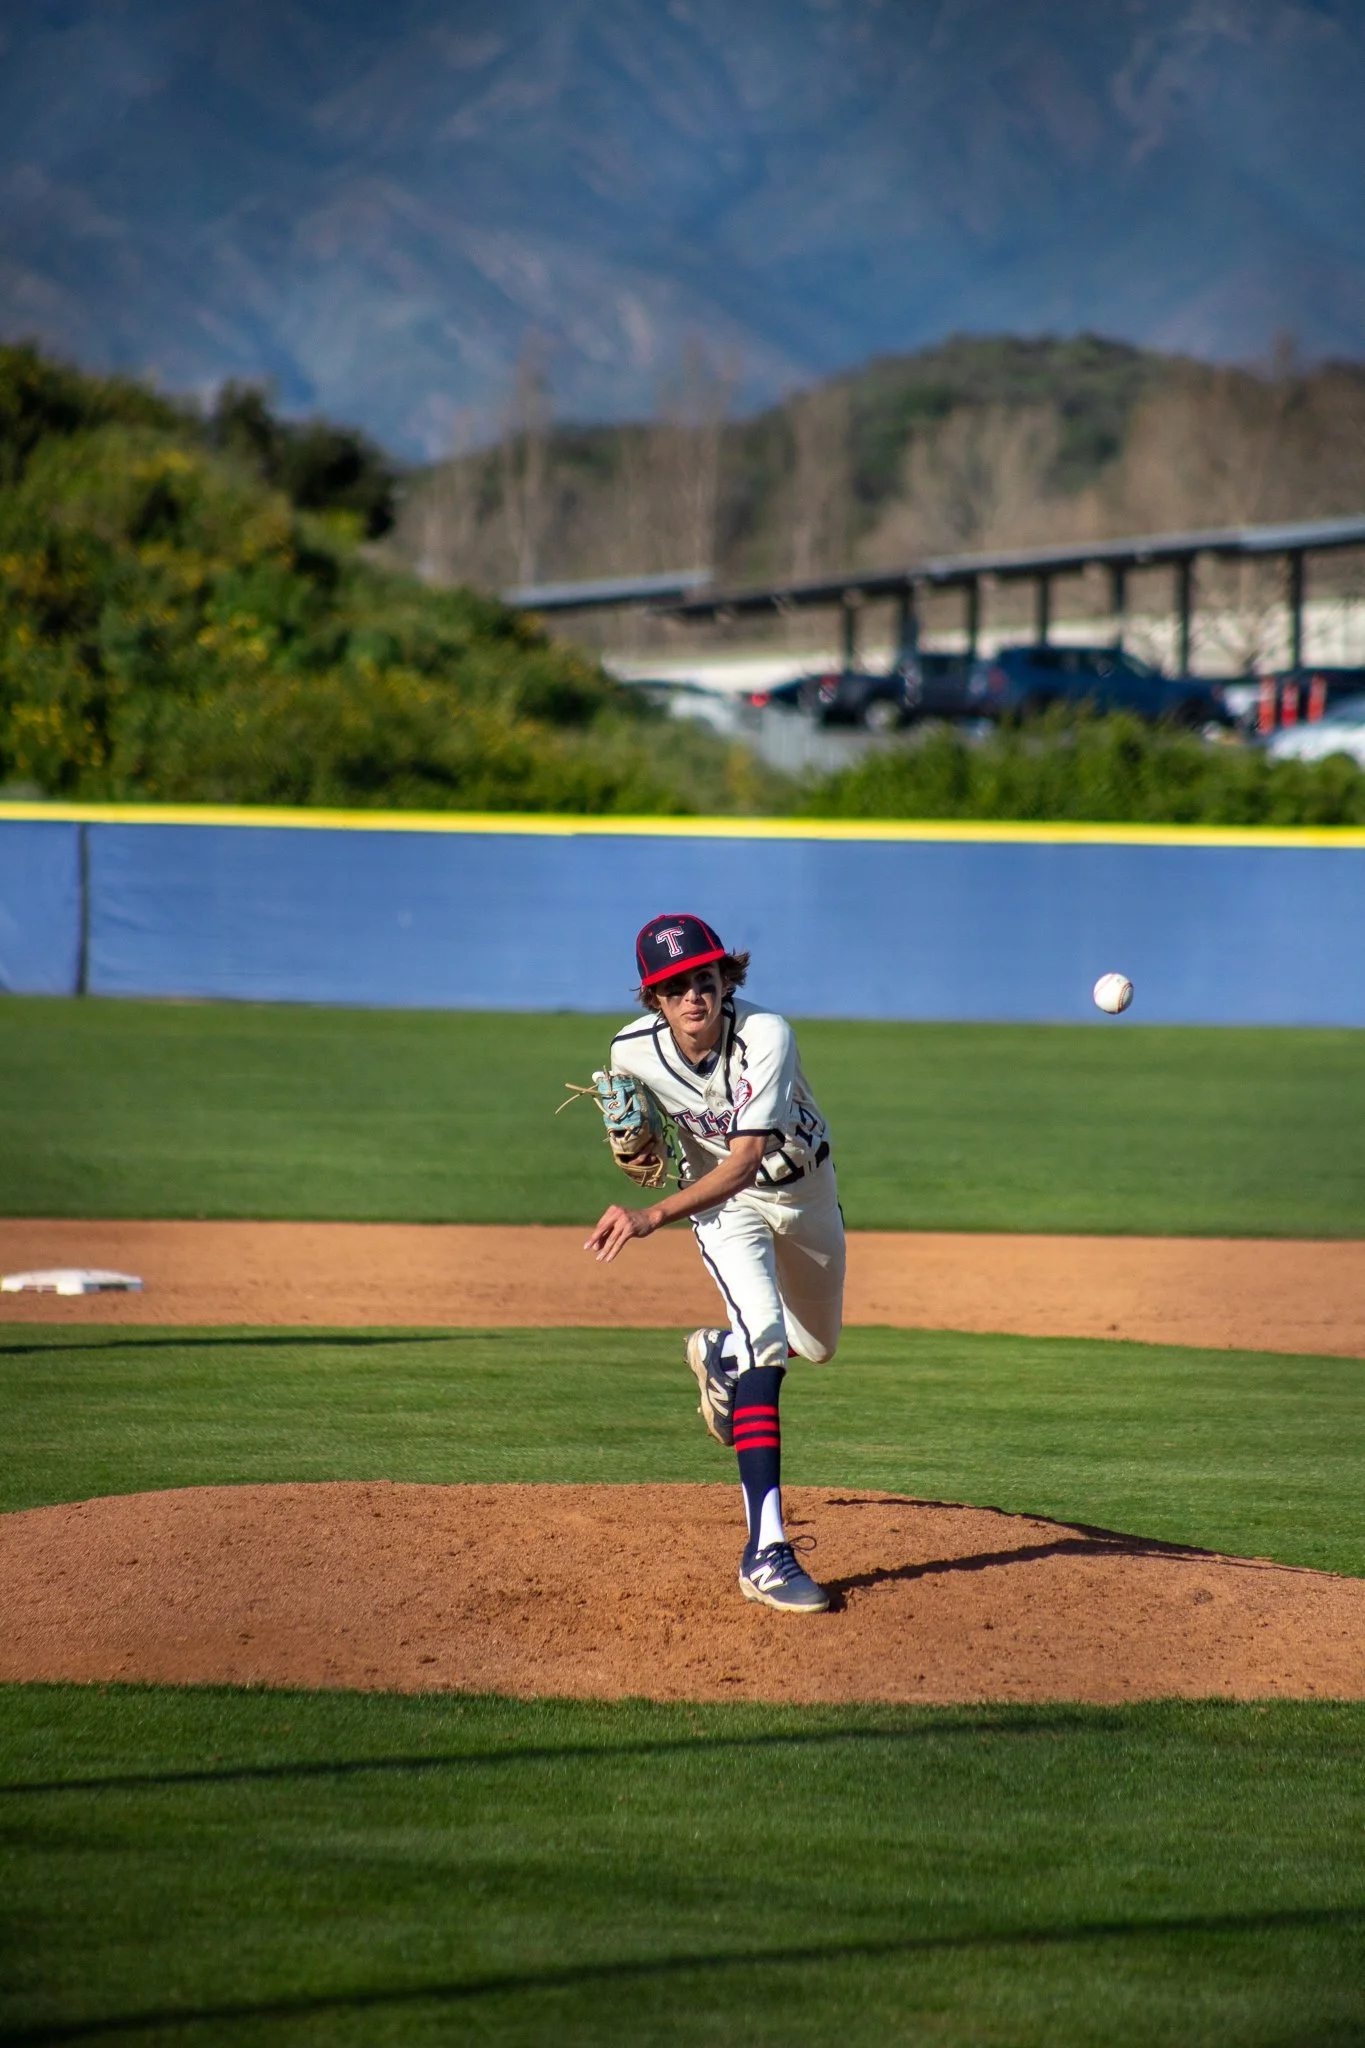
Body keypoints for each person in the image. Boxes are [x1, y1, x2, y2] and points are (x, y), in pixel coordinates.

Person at [585, 913, 845, 1613]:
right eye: (673, 988)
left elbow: (744, 1161)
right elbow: (643, 1144)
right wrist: (636, 1148)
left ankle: (717, 1352)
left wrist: (649, 1217)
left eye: (703, 979)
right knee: (769, 1350)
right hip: (723, 1214)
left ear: (724, 979)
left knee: (815, 1346)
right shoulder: (629, 1053)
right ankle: (766, 1550)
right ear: (655, 1000)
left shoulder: (766, 1034)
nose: (692, 996)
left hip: (802, 1192)